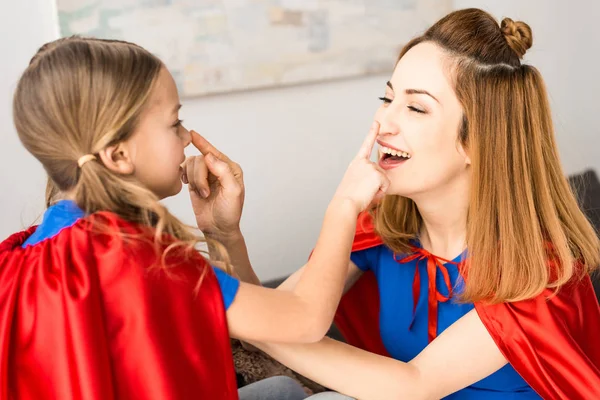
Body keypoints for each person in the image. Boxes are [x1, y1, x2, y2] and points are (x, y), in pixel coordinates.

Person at [214, 8, 600, 400]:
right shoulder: (383, 230)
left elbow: (414, 385)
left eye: (415, 108)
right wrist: (225, 233)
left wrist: (343, 204)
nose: (383, 122)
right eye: (387, 97)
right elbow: (280, 315)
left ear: (475, 142)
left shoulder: (539, 271)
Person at [0, 36, 389, 399]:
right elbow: (304, 320)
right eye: (174, 123)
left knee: (282, 389)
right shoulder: (142, 258)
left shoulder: (15, 261)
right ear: (118, 156)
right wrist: (346, 204)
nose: (187, 137)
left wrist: (222, 232)